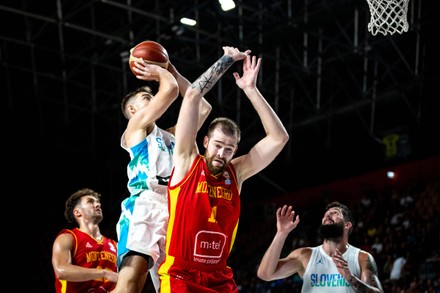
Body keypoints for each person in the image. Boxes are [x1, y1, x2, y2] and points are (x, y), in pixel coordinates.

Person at [158, 46, 289, 292]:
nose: (222, 153)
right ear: (206, 142)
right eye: (218, 145)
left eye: (229, 149)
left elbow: (278, 138)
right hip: (180, 275)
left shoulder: (236, 173)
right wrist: (227, 60)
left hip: (219, 276)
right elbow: (192, 96)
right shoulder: (187, 161)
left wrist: (251, 90)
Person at [111, 56, 212, 293]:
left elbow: (203, 106)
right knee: (131, 283)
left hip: (176, 209)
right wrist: (159, 70)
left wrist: (171, 68)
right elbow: (171, 90)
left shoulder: (173, 135)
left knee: (172, 287)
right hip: (145, 204)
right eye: (147, 97)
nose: (154, 99)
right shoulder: (135, 128)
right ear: (133, 110)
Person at [257, 202, 384, 293]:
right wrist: (281, 234)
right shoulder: (305, 255)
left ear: (347, 225)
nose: (327, 216)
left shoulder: (362, 257)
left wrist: (350, 277)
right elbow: (265, 274)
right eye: (326, 214)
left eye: (335, 213)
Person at [52, 188, 118, 293]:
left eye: (98, 202)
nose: (97, 205)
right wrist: (103, 273)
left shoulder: (115, 246)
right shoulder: (68, 237)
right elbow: (61, 271)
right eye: (90, 202)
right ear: (77, 212)